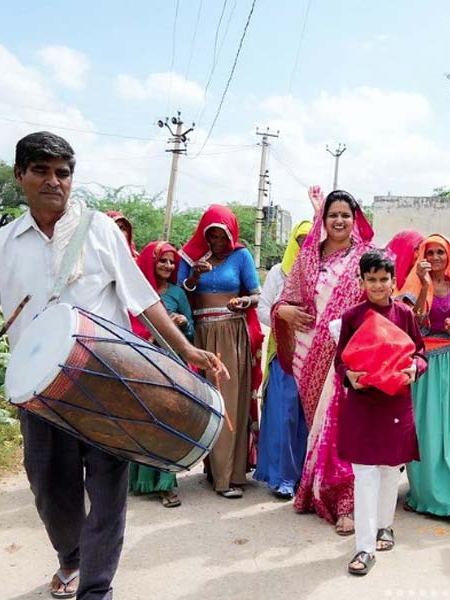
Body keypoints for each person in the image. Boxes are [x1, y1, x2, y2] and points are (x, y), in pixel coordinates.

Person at [0, 131, 223, 600]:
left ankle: (96, 588)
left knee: (108, 490)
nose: (54, 181)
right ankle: (71, 558)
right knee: (49, 490)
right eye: (41, 171)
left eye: (63, 172)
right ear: (21, 176)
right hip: (39, 393)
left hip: (111, 382)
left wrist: (185, 350)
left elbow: (143, 299)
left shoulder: (98, 230)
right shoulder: (0, 245)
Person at [272, 187, 375, 535]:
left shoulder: (366, 257)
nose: (340, 220)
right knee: (321, 427)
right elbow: (285, 301)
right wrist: (284, 311)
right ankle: (315, 489)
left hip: (351, 354)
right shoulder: (307, 258)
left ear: (355, 218)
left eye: (346, 214)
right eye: (333, 215)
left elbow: (381, 298)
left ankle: (345, 502)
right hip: (312, 354)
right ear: (324, 219)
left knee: (341, 426)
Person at [337, 250, 427, 575]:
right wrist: (349, 376)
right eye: (371, 279)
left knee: (391, 469)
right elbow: (340, 361)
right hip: (363, 405)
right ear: (361, 281)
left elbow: (419, 353)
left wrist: (414, 370)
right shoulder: (352, 316)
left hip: (396, 404)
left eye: (383, 279)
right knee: (364, 475)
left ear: (393, 281)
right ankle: (363, 548)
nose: (378, 285)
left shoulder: (405, 315)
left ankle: (384, 526)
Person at [177, 205, 263, 499]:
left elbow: (255, 295)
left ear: (232, 234)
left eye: (222, 236)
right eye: (211, 237)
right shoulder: (192, 257)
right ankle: (212, 467)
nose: (217, 243)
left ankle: (229, 476)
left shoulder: (242, 256)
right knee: (203, 401)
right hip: (200, 335)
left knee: (229, 400)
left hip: (230, 333)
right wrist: (195, 277)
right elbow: (180, 291)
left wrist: (243, 303)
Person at [398, 234, 450, 519]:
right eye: (429, 253)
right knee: (425, 430)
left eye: (440, 252)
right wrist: (424, 287)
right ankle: (424, 494)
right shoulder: (414, 286)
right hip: (423, 366)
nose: (434, 257)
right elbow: (414, 321)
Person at [128, 240, 195, 508]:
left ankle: (167, 484)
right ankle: (141, 481)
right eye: (162, 261)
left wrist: (182, 322)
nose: (168, 266)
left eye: (171, 262)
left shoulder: (178, 294)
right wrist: (147, 337)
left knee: (169, 421)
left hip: (172, 365)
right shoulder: (135, 293)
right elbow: (127, 325)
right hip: (142, 364)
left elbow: (190, 334)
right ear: (151, 262)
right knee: (144, 420)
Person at [254, 220, 313, 498]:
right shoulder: (279, 273)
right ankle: (283, 477)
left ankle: (306, 476)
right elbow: (263, 309)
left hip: (314, 354)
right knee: (284, 414)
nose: (304, 246)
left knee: (309, 417)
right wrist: (284, 316)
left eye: (310, 240)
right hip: (285, 352)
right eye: (299, 240)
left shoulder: (321, 273)